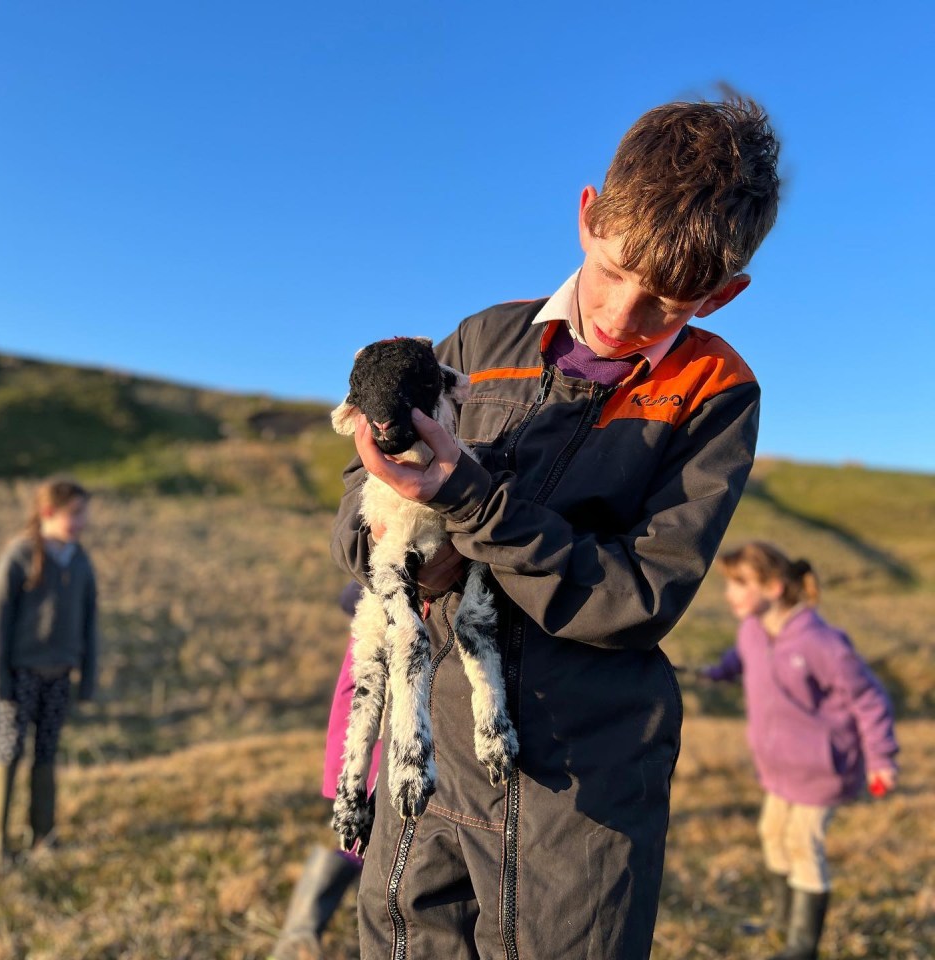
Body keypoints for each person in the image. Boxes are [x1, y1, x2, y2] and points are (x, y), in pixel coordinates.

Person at [332, 92, 780, 959]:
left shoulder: (717, 395)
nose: (622, 317)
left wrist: (470, 502)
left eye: (668, 302)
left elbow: (639, 598)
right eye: (614, 273)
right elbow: (359, 503)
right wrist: (390, 544)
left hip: (581, 792)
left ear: (723, 296)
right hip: (431, 759)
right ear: (587, 215)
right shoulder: (478, 337)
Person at [699, 542, 898, 960]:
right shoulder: (752, 628)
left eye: (740, 584)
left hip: (820, 770)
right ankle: (782, 921)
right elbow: (742, 658)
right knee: (772, 833)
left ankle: (802, 947)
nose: (729, 594)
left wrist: (880, 760)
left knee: (803, 844)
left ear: (773, 587)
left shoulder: (821, 642)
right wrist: (718, 672)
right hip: (778, 767)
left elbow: (870, 699)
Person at [0, 476, 98, 867]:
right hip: (20, 674)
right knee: (9, 748)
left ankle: (42, 834)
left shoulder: (80, 561)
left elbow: (89, 622)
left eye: (84, 514)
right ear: (49, 512)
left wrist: (88, 677)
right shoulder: (19, 555)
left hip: (59, 674)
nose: (81, 522)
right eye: (75, 514)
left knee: (46, 751)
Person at [270, 580, 381, 960]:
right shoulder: (376, 634)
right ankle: (298, 939)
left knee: (360, 851)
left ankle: (297, 938)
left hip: (368, 765)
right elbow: (351, 704)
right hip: (371, 766)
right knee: (360, 848)